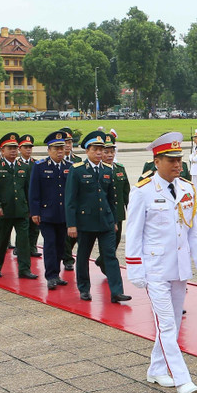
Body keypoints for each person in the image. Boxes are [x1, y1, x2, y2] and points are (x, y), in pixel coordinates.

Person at [126, 132, 197, 393]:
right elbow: (134, 233)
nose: (178, 165)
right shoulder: (143, 191)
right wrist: (135, 268)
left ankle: (156, 369)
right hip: (155, 269)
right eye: (171, 160)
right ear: (156, 161)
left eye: (179, 159)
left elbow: (195, 229)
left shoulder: (186, 188)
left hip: (180, 268)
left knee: (172, 322)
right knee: (167, 325)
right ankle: (182, 379)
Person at [65, 131, 129, 302]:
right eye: (96, 149)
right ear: (87, 151)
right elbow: (70, 199)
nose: (100, 152)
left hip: (106, 221)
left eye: (102, 149)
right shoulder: (77, 170)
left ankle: (116, 291)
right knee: (83, 256)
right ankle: (84, 288)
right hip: (85, 222)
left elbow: (112, 198)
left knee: (110, 256)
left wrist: (114, 220)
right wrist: (71, 224)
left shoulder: (108, 170)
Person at [0, 133, 37, 279]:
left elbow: (28, 189)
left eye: (15, 148)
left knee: (23, 241)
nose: (14, 151)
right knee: (1, 240)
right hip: (4, 210)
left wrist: (30, 208)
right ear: (2, 150)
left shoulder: (23, 166)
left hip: (21, 210)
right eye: (10, 148)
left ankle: (24, 269)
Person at [30, 131, 72, 291]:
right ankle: (51, 276)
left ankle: (57, 273)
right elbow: (34, 191)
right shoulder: (40, 167)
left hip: (63, 215)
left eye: (62, 147)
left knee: (61, 245)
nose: (60, 151)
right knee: (50, 245)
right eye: (56, 148)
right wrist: (35, 212)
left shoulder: (69, 167)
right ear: (49, 150)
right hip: (46, 214)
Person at [93, 133, 130, 274]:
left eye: (112, 151)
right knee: (106, 242)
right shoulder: (97, 170)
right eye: (106, 152)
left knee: (116, 239)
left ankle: (102, 259)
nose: (110, 155)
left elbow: (126, 192)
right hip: (102, 213)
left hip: (118, 213)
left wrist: (130, 209)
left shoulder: (120, 168)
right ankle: (107, 267)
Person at [16, 134, 41, 260]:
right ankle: (19, 247)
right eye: (25, 147)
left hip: (34, 200)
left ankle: (32, 247)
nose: (28, 150)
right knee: (22, 226)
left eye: (30, 147)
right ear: (19, 149)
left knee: (34, 227)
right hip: (21, 200)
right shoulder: (17, 163)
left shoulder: (36, 163)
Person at [60, 127, 82, 272]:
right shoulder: (57, 160)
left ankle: (68, 254)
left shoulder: (77, 160)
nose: (68, 145)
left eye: (70, 142)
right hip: (61, 202)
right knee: (64, 232)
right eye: (65, 143)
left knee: (75, 232)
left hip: (75, 202)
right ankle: (67, 259)